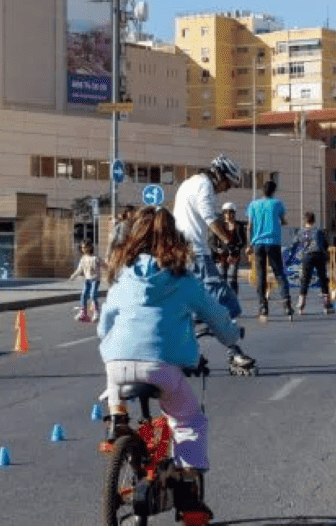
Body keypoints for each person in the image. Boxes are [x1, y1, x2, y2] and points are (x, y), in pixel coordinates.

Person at [98, 208, 254, 524]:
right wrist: (232, 336)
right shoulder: (184, 281)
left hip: (115, 364)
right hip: (161, 366)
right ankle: (189, 497)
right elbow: (216, 316)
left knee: (115, 372)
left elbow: (104, 325)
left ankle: (118, 419)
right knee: (189, 421)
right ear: (175, 239)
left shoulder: (124, 276)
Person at [171, 154, 245, 323]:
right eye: (228, 184)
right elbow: (209, 218)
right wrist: (229, 242)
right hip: (195, 252)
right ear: (220, 175)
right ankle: (228, 342)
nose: (226, 190)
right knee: (229, 303)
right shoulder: (204, 186)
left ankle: (191, 342)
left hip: (181, 251)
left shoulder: (189, 183)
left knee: (193, 303)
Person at [246, 176, 293, 320]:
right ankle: (286, 304)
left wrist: (249, 244)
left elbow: (249, 226)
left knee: (261, 275)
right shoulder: (277, 203)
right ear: (273, 191)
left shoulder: (253, 205)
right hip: (273, 242)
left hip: (258, 243)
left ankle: (263, 306)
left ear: (262, 191)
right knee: (279, 273)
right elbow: (284, 221)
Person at [294, 212, 334, 314]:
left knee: (305, 280)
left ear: (305, 220)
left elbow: (295, 244)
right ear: (314, 220)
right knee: (323, 279)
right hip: (319, 255)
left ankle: (301, 302)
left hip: (307, 256)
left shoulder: (301, 232)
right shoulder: (319, 231)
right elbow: (325, 244)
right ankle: (327, 304)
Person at [215, 202, 247, 294]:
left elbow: (242, 241)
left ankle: (234, 298)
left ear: (234, 213)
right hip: (222, 256)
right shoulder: (220, 226)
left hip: (234, 256)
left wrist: (236, 248)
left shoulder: (239, 226)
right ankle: (223, 298)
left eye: (230, 213)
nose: (228, 215)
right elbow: (213, 241)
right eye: (226, 213)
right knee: (222, 278)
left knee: (232, 278)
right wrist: (217, 249)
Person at [71, 240, 103, 321]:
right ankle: (83, 313)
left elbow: (104, 266)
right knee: (83, 295)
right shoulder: (83, 259)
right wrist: (74, 275)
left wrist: (108, 273)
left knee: (93, 295)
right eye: (82, 247)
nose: (84, 249)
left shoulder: (95, 258)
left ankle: (96, 313)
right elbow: (79, 269)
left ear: (90, 247)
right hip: (87, 280)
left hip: (95, 280)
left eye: (85, 247)